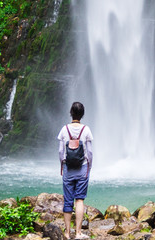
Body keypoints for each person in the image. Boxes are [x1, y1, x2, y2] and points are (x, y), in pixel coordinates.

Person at [58, 100, 93, 239]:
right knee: (79, 199)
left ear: (71, 113)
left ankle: (67, 233)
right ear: (82, 114)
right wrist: (89, 165)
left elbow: (61, 151)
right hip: (82, 167)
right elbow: (90, 152)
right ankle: (78, 233)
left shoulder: (64, 129)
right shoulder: (86, 130)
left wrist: (63, 163)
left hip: (68, 168)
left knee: (68, 200)